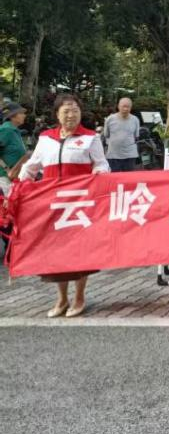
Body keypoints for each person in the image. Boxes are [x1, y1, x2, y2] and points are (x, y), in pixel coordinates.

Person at [20, 93, 109, 318]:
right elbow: (31, 167)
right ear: (57, 114)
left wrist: (98, 174)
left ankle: (79, 297)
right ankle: (61, 299)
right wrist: (21, 187)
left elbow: (102, 165)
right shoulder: (46, 139)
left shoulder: (90, 138)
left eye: (75, 111)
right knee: (57, 253)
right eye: (66, 111)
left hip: (80, 206)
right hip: (53, 207)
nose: (71, 115)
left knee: (80, 253)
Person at [102, 97, 140, 172]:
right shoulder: (110, 119)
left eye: (128, 107)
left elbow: (136, 136)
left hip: (130, 155)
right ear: (118, 106)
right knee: (114, 177)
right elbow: (106, 135)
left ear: (131, 108)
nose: (125, 109)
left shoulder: (135, 120)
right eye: (123, 106)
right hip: (113, 155)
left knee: (128, 177)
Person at [0, 103, 28, 196]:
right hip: (3, 179)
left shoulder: (15, 131)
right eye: (21, 113)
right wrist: (7, 169)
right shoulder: (6, 130)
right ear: (12, 116)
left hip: (13, 178)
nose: (24, 115)